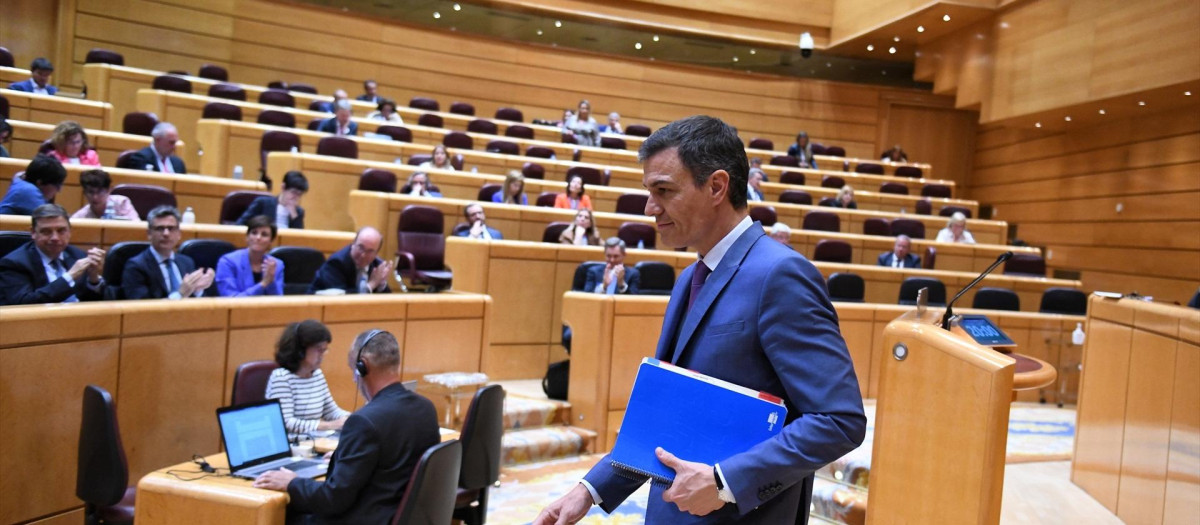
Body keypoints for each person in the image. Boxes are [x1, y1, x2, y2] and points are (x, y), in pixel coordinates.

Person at [534, 115, 865, 524]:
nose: (649, 208)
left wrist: (725, 481)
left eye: (664, 191)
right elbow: (665, 416)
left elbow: (839, 420)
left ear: (716, 187)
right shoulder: (690, 277)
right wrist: (591, 489)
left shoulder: (781, 275)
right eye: (648, 191)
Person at [253, 329, 440, 524]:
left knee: (284, 513)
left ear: (363, 366)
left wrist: (292, 482)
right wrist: (341, 457)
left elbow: (332, 499)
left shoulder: (364, 422)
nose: (354, 379)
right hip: (398, 516)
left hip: (363, 519)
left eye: (353, 370)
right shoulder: (426, 408)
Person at [0, 204, 106, 305]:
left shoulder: (78, 255)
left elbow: (89, 302)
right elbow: (23, 304)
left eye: (61, 231)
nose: (55, 237)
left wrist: (93, 280)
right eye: (46, 231)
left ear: (69, 232)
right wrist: (70, 277)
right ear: (33, 233)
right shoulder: (15, 263)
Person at [264, 320, 350, 437]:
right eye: (319, 350)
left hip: (315, 442)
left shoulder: (317, 375)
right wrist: (329, 425)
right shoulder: (281, 378)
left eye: (325, 350)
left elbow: (331, 411)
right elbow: (285, 422)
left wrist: (353, 418)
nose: (323, 355)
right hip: (293, 447)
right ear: (300, 351)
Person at [122, 206, 214, 300]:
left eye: (171, 228)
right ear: (149, 234)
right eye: (160, 228)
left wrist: (197, 290)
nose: (166, 233)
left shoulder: (187, 262)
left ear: (179, 234)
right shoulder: (136, 266)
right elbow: (140, 308)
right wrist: (180, 294)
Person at [216, 215, 285, 296]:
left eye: (264, 234)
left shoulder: (277, 264)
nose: (258, 237)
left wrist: (271, 282)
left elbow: (278, 301)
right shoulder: (228, 262)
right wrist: (263, 284)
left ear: (271, 241)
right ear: (247, 237)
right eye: (254, 233)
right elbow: (230, 300)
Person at [308, 227, 393, 294]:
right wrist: (371, 285)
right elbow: (341, 299)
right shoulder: (336, 263)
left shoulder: (377, 266)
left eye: (370, 251)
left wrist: (381, 284)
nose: (363, 255)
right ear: (353, 244)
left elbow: (388, 305)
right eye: (360, 247)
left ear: (376, 253)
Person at [237, 170, 308, 229]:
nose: (296, 197)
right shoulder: (263, 203)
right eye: (293, 192)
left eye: (299, 194)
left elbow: (298, 239)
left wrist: (294, 215)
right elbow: (240, 225)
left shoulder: (298, 212)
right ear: (283, 187)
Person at [0, 155, 66, 215]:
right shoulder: (28, 191)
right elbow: (51, 222)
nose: (59, 190)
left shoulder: (21, 181)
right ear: (39, 183)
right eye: (57, 185)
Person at [73, 169, 139, 220]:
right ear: (84, 193)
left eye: (100, 192)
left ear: (109, 190)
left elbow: (137, 227)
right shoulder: (80, 217)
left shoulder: (122, 203)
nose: (95, 197)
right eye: (90, 192)